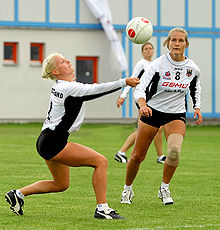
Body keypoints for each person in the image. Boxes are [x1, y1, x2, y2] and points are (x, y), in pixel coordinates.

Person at [5, 53, 140, 219]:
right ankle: (102, 209)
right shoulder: (68, 88)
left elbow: (88, 92)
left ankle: (18, 194)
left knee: (61, 184)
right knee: (101, 162)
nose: (68, 61)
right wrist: (124, 82)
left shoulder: (64, 86)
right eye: (62, 61)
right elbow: (95, 90)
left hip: (47, 140)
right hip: (54, 141)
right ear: (55, 71)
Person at [120, 27, 203, 205]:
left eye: (181, 41)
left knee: (173, 152)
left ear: (186, 44)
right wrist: (142, 105)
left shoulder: (192, 68)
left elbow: (195, 88)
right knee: (137, 157)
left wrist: (197, 107)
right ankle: (127, 189)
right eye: (173, 40)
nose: (177, 44)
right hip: (152, 111)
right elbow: (140, 88)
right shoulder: (157, 64)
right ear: (168, 43)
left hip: (176, 114)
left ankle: (164, 188)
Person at [114, 42, 166, 164]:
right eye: (146, 49)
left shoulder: (154, 64)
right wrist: (123, 95)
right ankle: (121, 152)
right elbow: (132, 79)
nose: (148, 50)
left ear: (153, 51)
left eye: (150, 48)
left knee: (157, 128)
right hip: (143, 99)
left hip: (153, 100)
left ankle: (161, 156)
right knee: (143, 129)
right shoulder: (141, 64)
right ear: (142, 52)